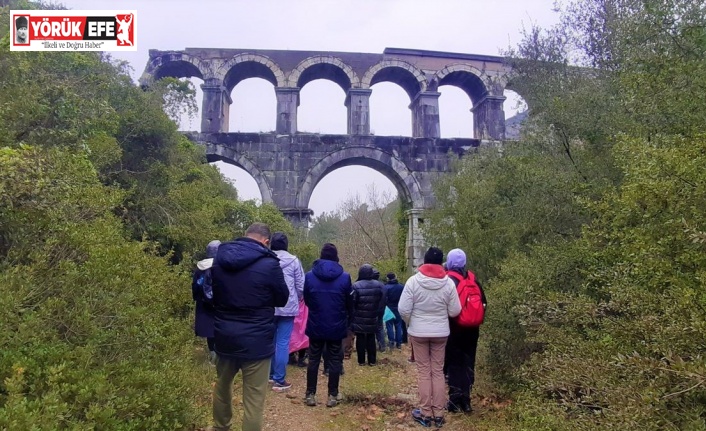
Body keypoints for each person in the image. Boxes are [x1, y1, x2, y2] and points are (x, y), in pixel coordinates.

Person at [211, 223, 289, 431]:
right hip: (257, 340)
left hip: (225, 335)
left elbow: (213, 295)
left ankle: (220, 427)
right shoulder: (269, 264)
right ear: (266, 241)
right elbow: (282, 298)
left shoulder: (220, 258)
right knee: (254, 398)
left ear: (246, 235)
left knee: (222, 385)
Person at [399, 247, 461, 428]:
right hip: (441, 333)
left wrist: (411, 322)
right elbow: (455, 310)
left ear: (424, 261)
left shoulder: (413, 282)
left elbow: (403, 309)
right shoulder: (448, 283)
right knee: (438, 371)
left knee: (424, 372)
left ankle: (426, 413)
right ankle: (439, 414)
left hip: (418, 333)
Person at [303, 243, 352, 408]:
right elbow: (348, 302)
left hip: (316, 323)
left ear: (321, 255)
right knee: (335, 360)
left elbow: (307, 299)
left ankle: (310, 394)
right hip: (336, 324)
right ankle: (332, 394)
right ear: (336, 256)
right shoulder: (345, 277)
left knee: (314, 359)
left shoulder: (309, 276)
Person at [445, 248, 487, 414]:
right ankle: (467, 400)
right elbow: (484, 303)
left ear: (449, 262)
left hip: (454, 328)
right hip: (472, 329)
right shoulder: (473, 280)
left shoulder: (448, 280)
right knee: (468, 362)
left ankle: (455, 401)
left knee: (454, 364)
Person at [269, 232, 305, 392]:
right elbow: (300, 286)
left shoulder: (266, 258)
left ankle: (268, 376)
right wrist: (296, 299)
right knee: (282, 343)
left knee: (269, 341)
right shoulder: (294, 261)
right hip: (288, 307)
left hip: (268, 306)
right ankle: (279, 379)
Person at [191, 240, 221, 363]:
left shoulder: (200, 267)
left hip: (204, 304)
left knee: (209, 332)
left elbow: (194, 286)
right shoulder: (220, 266)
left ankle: (212, 357)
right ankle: (220, 358)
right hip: (218, 303)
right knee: (220, 330)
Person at [350, 264, 386, 366]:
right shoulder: (379, 285)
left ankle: (361, 361)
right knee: (371, 338)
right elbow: (383, 301)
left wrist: (353, 315)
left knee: (360, 338)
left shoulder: (356, 285)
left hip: (359, 316)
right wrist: (379, 313)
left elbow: (353, 302)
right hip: (373, 315)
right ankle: (372, 361)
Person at [384, 272, 405, 349]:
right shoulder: (401, 287)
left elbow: (384, 299)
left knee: (389, 325)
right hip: (398, 308)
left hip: (389, 308)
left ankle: (391, 342)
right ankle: (399, 343)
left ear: (387, 278)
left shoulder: (386, 287)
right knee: (398, 325)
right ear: (395, 277)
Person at [372, 268, 388, 353]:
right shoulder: (382, 285)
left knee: (370, 328)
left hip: (372, 310)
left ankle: (370, 347)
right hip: (381, 310)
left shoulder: (371, 285)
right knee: (380, 328)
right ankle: (382, 346)